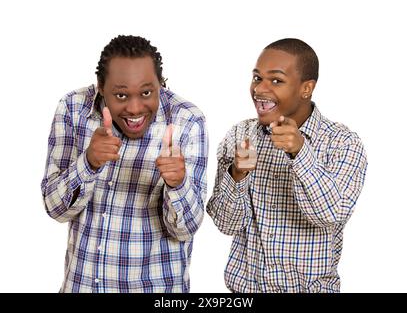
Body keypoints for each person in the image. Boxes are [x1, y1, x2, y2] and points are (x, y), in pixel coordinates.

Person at [41, 35, 208, 293]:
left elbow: (186, 230)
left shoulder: (187, 121)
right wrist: (88, 164)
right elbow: (55, 209)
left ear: (160, 85)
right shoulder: (72, 108)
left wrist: (178, 184)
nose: (134, 107)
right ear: (100, 88)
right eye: (120, 95)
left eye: (146, 92)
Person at [206, 38, 367, 293]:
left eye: (276, 80)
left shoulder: (342, 142)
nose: (260, 89)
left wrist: (300, 152)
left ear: (306, 89)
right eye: (257, 78)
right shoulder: (240, 135)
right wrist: (237, 174)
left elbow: (331, 215)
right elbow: (226, 224)